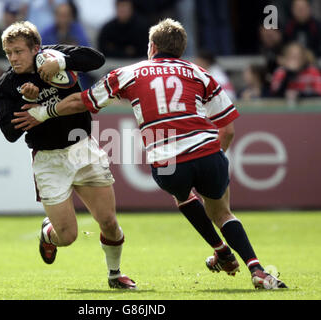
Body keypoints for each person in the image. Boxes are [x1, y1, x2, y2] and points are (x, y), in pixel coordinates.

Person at [15, 19, 288, 290]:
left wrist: (43, 112)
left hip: (170, 163)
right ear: (181, 49)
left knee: (182, 195)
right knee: (223, 214)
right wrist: (215, 157)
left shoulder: (130, 73)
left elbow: (80, 101)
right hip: (207, 153)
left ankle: (222, 252)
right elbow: (227, 130)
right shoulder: (201, 73)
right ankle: (258, 270)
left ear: (152, 46)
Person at [0, 21, 136, 290]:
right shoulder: (8, 84)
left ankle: (115, 275)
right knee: (67, 236)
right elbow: (9, 133)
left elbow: (96, 59)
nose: (13, 58)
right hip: (49, 161)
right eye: (8, 53)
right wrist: (30, 103)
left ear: (36, 48)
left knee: (108, 221)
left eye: (18, 51)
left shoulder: (52, 55)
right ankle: (48, 233)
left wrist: (62, 60)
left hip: (83, 149)